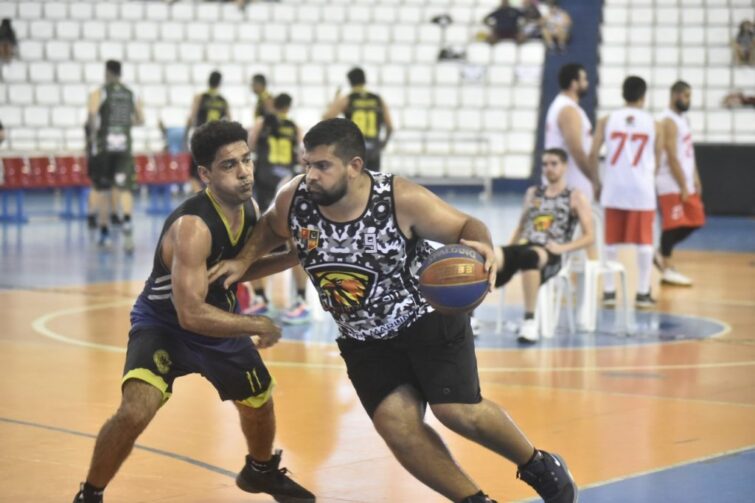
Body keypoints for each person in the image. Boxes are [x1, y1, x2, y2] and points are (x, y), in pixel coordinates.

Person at [209, 118, 578, 503]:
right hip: (362, 338)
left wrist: (481, 247)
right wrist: (244, 261)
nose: (311, 175)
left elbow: (467, 225)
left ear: (354, 166)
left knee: (455, 411)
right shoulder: (295, 197)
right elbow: (271, 227)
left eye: (322, 166)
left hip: (425, 317)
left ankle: (540, 465)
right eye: (306, 165)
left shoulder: (397, 197)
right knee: (397, 427)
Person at [72, 120, 315, 503]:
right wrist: (255, 323)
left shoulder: (247, 207)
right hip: (166, 323)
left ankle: (261, 471)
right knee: (136, 411)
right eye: (229, 165)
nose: (245, 173)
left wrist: (291, 257)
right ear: (205, 174)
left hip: (214, 317)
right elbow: (190, 314)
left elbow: (229, 271)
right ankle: (90, 494)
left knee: (259, 400)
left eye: (246, 161)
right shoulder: (193, 227)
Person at [495, 148, 593, 343]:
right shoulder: (533, 193)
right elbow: (522, 226)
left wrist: (563, 248)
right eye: (545, 164)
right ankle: (470, 317)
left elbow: (590, 237)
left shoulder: (574, 196)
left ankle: (529, 321)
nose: (549, 168)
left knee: (529, 258)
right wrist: (506, 252)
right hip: (526, 245)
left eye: (554, 163)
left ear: (564, 166)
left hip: (551, 252)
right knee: (489, 254)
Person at [589, 76, 663, 308]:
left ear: (623, 94)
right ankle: (642, 292)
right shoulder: (655, 124)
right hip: (641, 189)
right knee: (644, 242)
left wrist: (596, 183)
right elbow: (658, 161)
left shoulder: (607, 120)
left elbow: (593, 154)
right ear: (643, 96)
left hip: (614, 186)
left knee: (611, 242)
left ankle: (610, 292)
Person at [245, 93, 311, 324]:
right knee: (297, 245)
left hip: (264, 187)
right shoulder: (295, 127)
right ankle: (301, 301)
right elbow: (303, 156)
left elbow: (249, 146)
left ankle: (261, 299)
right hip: (287, 188)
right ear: (289, 106)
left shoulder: (262, 123)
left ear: (273, 105)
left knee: (251, 242)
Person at [87, 60, 144, 253]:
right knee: (124, 187)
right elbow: (141, 120)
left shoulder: (100, 92)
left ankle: (104, 233)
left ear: (107, 72)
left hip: (104, 146)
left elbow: (92, 115)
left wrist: (94, 135)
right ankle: (127, 220)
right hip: (124, 147)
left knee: (104, 189)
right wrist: (126, 125)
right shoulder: (131, 93)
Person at [654, 81, 706, 286]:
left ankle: (659, 253)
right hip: (670, 182)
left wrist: (695, 178)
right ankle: (666, 267)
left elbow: (688, 153)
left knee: (696, 219)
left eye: (690, 96)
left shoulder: (683, 119)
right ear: (674, 95)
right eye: (685, 96)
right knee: (672, 225)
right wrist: (683, 184)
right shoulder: (667, 121)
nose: (688, 100)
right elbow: (672, 155)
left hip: (684, 181)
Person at [323, 67, 394, 172]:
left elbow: (326, 118)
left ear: (350, 82)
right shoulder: (378, 99)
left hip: (355, 146)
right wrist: (382, 144)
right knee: (373, 180)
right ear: (365, 80)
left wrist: (335, 100)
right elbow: (390, 127)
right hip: (374, 146)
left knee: (355, 179)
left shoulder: (348, 98)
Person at [544, 63, 597, 203]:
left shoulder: (562, 105)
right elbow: (577, 150)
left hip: (568, 185)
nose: (587, 83)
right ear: (574, 84)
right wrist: (594, 178)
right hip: (571, 186)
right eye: (584, 79)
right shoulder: (568, 110)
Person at [184, 70, 230, 192]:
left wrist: (185, 134)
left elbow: (192, 117)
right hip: (216, 141)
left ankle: (200, 198)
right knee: (213, 171)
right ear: (220, 83)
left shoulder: (200, 97)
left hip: (201, 138)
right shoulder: (223, 101)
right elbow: (229, 122)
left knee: (193, 174)